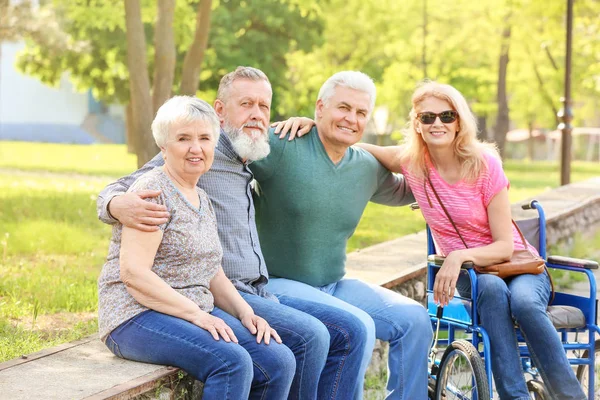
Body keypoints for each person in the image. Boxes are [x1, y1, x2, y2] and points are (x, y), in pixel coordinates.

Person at [97, 67, 367, 400]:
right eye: (246, 104)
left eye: (264, 107)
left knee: (330, 339)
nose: (257, 115)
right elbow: (128, 191)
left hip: (241, 292)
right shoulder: (180, 164)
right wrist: (114, 204)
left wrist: (315, 124)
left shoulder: (241, 159)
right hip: (167, 305)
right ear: (220, 111)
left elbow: (212, 269)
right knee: (303, 339)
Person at [358, 81, 586, 400]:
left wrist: (456, 255)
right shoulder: (413, 164)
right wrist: (316, 125)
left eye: (446, 115)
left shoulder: (484, 164)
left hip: (519, 266)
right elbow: (358, 145)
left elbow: (505, 247)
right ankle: (514, 396)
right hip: (472, 277)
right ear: (417, 124)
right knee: (490, 288)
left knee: (523, 302)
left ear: (459, 121)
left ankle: (571, 396)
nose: (437, 123)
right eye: (427, 118)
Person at [250, 71, 433, 400]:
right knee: (358, 325)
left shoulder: (366, 166)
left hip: (333, 286)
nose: (351, 118)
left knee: (415, 319)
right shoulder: (282, 145)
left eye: (361, 113)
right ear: (320, 108)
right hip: (274, 285)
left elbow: (418, 185)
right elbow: (218, 151)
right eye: (343, 108)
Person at [98, 96, 294, 399]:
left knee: (278, 360)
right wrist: (197, 315)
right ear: (164, 146)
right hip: (135, 316)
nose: (196, 148)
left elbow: (211, 270)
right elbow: (133, 273)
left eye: (205, 138)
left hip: (188, 308)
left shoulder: (201, 196)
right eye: (183, 138)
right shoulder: (153, 193)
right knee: (232, 362)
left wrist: (246, 313)